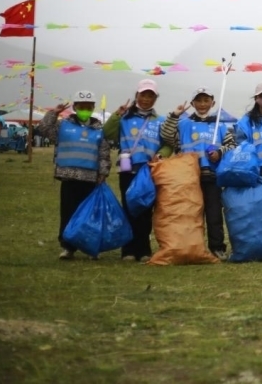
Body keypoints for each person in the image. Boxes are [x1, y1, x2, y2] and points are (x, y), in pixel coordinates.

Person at [160, 86, 237, 261]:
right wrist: (174, 115)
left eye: (206, 100)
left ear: (212, 103)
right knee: (190, 214)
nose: (202, 104)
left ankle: (217, 247)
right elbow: (166, 136)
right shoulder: (183, 124)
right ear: (193, 103)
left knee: (214, 214)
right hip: (189, 177)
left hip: (212, 176)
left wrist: (220, 152)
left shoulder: (220, 125)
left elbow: (232, 145)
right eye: (199, 101)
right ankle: (192, 246)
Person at [103, 79, 172, 262]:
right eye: (143, 95)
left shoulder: (161, 121)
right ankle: (128, 250)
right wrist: (117, 115)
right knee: (129, 208)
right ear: (137, 96)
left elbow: (168, 144)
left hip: (149, 171)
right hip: (128, 169)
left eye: (151, 96)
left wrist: (161, 154)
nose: (146, 99)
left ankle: (144, 250)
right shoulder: (124, 118)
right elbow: (107, 133)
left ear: (155, 98)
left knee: (146, 209)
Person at [37, 90, 111, 260]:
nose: (85, 110)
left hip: (91, 179)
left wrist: (103, 172)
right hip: (69, 178)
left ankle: (91, 247)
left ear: (93, 108)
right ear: (75, 107)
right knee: (68, 214)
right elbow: (44, 129)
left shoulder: (99, 129)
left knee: (90, 216)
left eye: (88, 107)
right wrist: (53, 113)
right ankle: (68, 248)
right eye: (81, 106)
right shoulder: (63, 125)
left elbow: (104, 152)